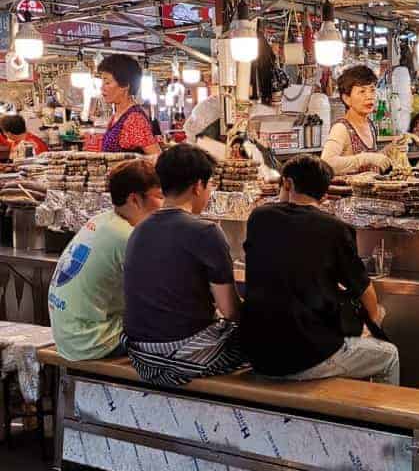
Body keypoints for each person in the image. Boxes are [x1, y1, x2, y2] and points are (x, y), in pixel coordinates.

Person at [240, 155, 399, 385]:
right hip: (305, 357)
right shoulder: (335, 228)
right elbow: (364, 290)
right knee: (388, 354)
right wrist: (372, 323)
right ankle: (381, 421)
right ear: (325, 193)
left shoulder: (258, 218)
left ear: (287, 183)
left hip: (256, 352)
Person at [123, 144, 245, 385]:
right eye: (210, 185)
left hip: (141, 355)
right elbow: (230, 311)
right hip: (183, 354)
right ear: (198, 186)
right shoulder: (206, 231)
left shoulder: (139, 229)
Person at [48, 160, 163, 361]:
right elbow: (161, 295)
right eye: (160, 196)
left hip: (68, 334)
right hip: (90, 340)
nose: (164, 205)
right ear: (135, 199)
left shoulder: (101, 220)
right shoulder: (127, 236)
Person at [321, 65, 390, 175]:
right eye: (362, 92)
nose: (369, 96)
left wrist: (391, 150)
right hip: (346, 192)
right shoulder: (341, 128)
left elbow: (371, 163)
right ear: (347, 99)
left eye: (372, 90)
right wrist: (365, 158)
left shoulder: (370, 125)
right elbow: (326, 163)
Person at [98, 53, 161, 155]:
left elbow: (156, 158)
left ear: (125, 86)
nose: (102, 88)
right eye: (102, 82)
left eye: (107, 83)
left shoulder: (134, 119)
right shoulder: (117, 116)